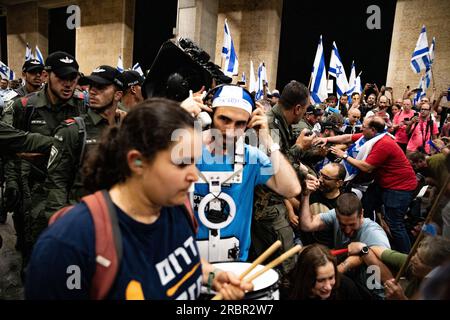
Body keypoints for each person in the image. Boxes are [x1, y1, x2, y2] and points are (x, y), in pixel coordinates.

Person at [25, 99, 253, 300]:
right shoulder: (69, 244)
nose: (194, 175)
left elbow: (178, 260)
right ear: (137, 162)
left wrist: (211, 275)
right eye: (182, 163)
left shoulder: (179, 207)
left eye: (195, 161)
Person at [193, 84, 301, 263]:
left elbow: (291, 188)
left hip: (234, 265)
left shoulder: (251, 157)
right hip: (188, 264)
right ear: (211, 115)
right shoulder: (188, 148)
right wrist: (177, 116)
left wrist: (268, 139)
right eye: (224, 119)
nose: (230, 130)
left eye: (240, 124)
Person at [10, 51, 85, 267]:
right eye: (62, 78)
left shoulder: (82, 105)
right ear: (46, 75)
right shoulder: (24, 107)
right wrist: (13, 181)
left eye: (73, 78)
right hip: (35, 190)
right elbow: (11, 148)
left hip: (70, 189)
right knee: (34, 250)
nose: (68, 84)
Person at [31, 65, 125, 235]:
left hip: (116, 220)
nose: (93, 92)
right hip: (82, 221)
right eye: (91, 87)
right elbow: (56, 182)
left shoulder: (125, 128)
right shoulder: (73, 130)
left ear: (118, 94)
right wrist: (60, 224)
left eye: (101, 87)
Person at [316, 116, 417, 253]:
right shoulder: (370, 137)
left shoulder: (383, 143)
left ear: (373, 130)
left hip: (399, 187)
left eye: (364, 126)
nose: (361, 128)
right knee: (367, 205)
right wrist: (326, 139)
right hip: (384, 183)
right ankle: (367, 238)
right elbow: (347, 138)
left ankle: (405, 260)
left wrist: (345, 156)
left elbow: (367, 167)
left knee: (395, 224)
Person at [252, 80, 312, 275]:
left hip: (274, 200)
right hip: (266, 206)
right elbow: (274, 167)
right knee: (288, 264)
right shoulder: (270, 125)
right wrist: (300, 148)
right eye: (305, 110)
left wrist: (303, 171)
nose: (305, 114)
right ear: (297, 108)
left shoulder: (280, 121)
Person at [299, 192, 391, 298]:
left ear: (361, 214)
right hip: (352, 285)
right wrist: (305, 195)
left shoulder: (374, 234)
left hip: (373, 294)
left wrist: (364, 253)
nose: (347, 230)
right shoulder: (336, 215)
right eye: (342, 225)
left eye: (352, 224)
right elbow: (307, 225)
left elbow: (390, 279)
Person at [285, 244, 361, 300]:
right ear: (306, 277)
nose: (328, 287)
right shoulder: (288, 291)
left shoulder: (346, 287)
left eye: (331, 278)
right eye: (321, 280)